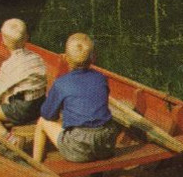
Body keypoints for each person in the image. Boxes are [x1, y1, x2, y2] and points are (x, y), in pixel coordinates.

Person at [32, 32, 119, 164]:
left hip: (79, 148)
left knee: (42, 122)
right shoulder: (101, 79)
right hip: (106, 144)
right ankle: (97, 174)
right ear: (93, 58)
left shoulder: (61, 83)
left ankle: (35, 165)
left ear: (65, 58)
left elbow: (47, 114)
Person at [0, 19, 47, 147]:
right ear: (27, 37)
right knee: (12, 98)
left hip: (23, 110)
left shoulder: (8, 66)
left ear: (3, 42)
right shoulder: (37, 58)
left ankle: (12, 140)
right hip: (40, 105)